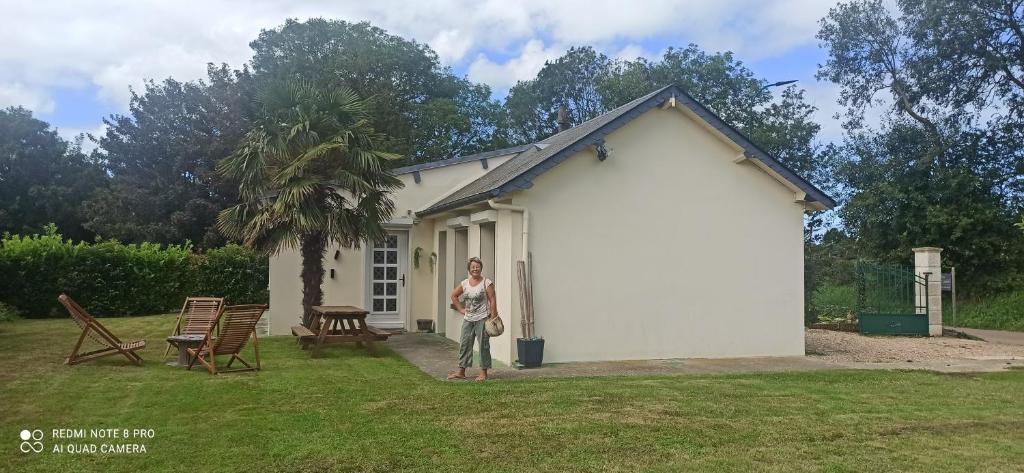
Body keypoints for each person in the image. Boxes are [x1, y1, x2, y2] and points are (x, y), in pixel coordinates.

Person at [447, 257, 497, 381]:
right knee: (465, 344)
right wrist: (461, 309)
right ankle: (461, 371)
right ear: (469, 269)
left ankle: (483, 373)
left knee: (483, 346)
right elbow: (453, 295)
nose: (475, 269)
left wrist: (493, 316)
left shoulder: (487, 282)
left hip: (482, 318)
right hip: (468, 319)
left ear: (481, 268)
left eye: (477, 266)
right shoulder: (464, 283)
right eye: (473, 267)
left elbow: (492, 300)